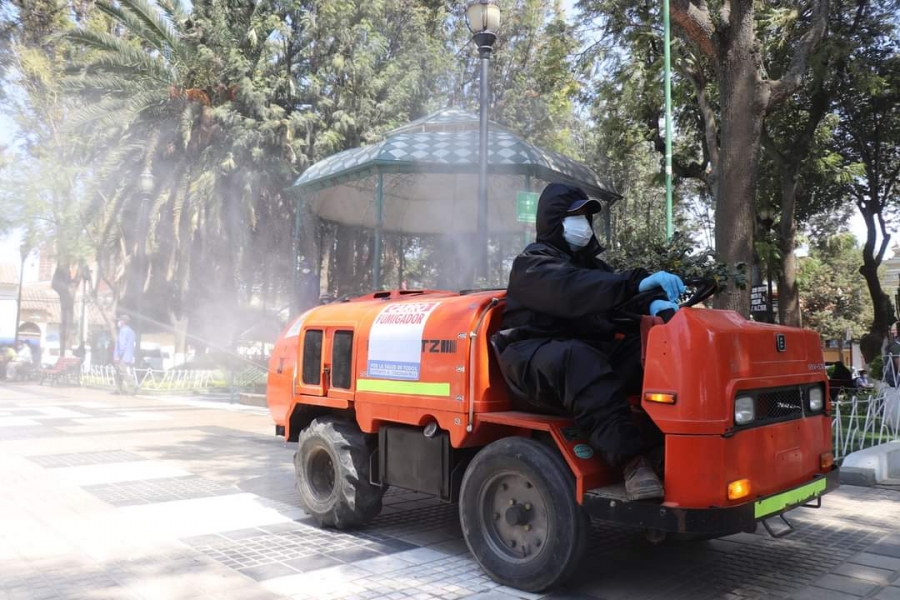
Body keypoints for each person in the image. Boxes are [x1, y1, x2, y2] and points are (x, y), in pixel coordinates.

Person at [493, 183, 683, 501]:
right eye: (575, 215)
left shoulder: (591, 267)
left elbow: (613, 297)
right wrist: (634, 282)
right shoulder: (532, 263)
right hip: (533, 357)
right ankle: (632, 462)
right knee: (580, 358)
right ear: (554, 220)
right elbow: (575, 290)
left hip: (585, 350)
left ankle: (671, 444)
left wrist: (653, 304)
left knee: (651, 350)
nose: (583, 223)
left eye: (586, 216)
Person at [113, 315, 137, 394]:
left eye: (120, 320)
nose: (118, 322)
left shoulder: (123, 331)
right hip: (129, 356)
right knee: (117, 372)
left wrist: (118, 356)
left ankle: (133, 386)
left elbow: (122, 346)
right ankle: (118, 389)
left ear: (123, 322)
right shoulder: (131, 331)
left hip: (122, 356)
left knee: (122, 372)